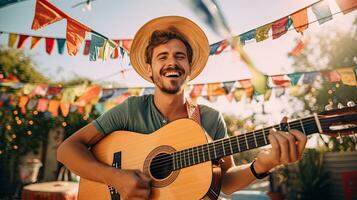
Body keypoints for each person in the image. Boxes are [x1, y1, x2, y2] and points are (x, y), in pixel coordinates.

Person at [57, 16, 307, 199]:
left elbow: (225, 183)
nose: (171, 62)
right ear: (150, 69)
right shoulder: (131, 109)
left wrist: (263, 165)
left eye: (179, 56)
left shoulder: (209, 119)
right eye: (162, 57)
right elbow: (67, 149)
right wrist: (115, 177)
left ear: (189, 67)